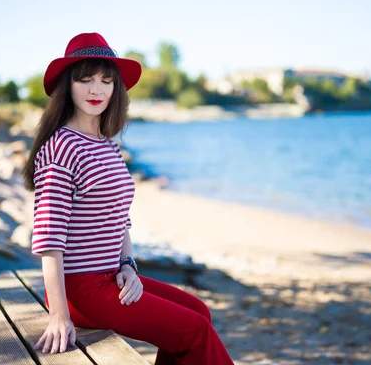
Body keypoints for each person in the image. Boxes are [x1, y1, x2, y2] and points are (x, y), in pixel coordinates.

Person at [22, 32, 234, 364]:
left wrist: (128, 265)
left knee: (198, 311)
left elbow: (119, 217)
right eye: (85, 80)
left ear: (116, 89)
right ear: (68, 85)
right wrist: (58, 315)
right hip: (80, 289)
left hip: (111, 277)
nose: (97, 90)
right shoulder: (60, 147)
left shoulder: (107, 143)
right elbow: (49, 239)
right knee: (194, 330)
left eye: (106, 81)